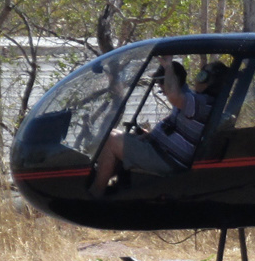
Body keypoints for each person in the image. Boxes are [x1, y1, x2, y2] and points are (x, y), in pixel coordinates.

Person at [90, 56, 225, 196]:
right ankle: (111, 190)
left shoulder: (201, 104)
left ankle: (95, 194)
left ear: (209, 80)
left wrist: (167, 66)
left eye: (203, 73)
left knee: (110, 139)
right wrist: (151, 135)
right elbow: (177, 102)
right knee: (113, 134)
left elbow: (173, 94)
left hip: (168, 160)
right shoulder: (197, 100)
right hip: (162, 152)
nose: (199, 75)